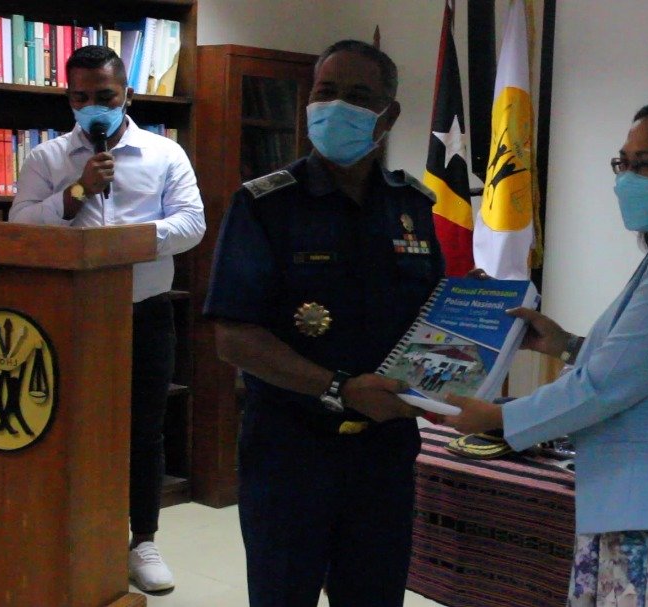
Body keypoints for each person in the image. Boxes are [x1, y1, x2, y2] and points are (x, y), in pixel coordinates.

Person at [444, 95, 648, 606]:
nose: (627, 179)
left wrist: (498, 418)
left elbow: (607, 385)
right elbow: (646, 362)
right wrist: (566, 345)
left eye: (647, 165)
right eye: (624, 162)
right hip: (646, 512)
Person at [202, 39, 442, 606]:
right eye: (326, 92)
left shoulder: (412, 205)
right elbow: (233, 338)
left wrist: (477, 307)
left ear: (389, 114)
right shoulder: (265, 204)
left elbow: (430, 317)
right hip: (290, 451)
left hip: (383, 453)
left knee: (375, 597)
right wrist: (340, 389)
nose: (337, 107)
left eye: (358, 96)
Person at [9, 45, 206, 593]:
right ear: (68, 98)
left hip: (145, 314)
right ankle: (73, 532)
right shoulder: (47, 158)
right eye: (80, 97)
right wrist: (76, 194)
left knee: (144, 429)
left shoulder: (165, 154)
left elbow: (192, 225)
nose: (92, 106)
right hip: (67, 318)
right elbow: (20, 226)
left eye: (105, 96)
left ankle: (142, 540)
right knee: (66, 428)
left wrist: (123, 244)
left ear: (128, 96)